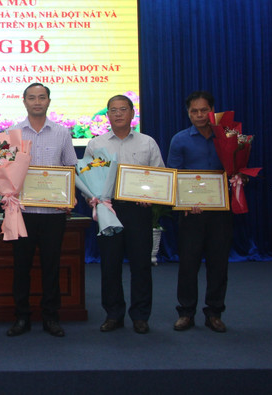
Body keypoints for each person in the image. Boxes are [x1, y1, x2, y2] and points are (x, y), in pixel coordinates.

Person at [86, 94, 164, 335]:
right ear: (107, 115)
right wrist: (92, 197)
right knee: (110, 264)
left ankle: (140, 315)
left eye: (123, 109)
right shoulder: (95, 144)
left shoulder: (147, 143)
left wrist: (150, 195)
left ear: (132, 113)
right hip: (108, 209)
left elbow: (159, 177)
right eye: (113, 110)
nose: (118, 114)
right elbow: (87, 178)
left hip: (138, 210)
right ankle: (113, 314)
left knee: (141, 265)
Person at [7, 83, 77, 338]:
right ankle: (21, 317)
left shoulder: (62, 133)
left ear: (49, 101)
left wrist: (69, 196)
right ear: (24, 101)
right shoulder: (12, 133)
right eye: (32, 98)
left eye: (42, 97)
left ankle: (51, 317)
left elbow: (70, 167)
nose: (37, 102)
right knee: (21, 267)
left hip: (53, 215)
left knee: (51, 266)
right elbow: (3, 170)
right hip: (22, 213)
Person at [167, 90, 231, 333]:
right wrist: (184, 202)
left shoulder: (227, 137)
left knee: (218, 264)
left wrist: (238, 180)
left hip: (220, 211)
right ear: (188, 113)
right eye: (194, 111)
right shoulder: (180, 139)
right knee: (188, 265)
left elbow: (235, 169)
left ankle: (214, 312)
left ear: (212, 111)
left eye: (204, 110)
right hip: (190, 213)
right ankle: (186, 312)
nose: (200, 115)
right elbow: (174, 174)